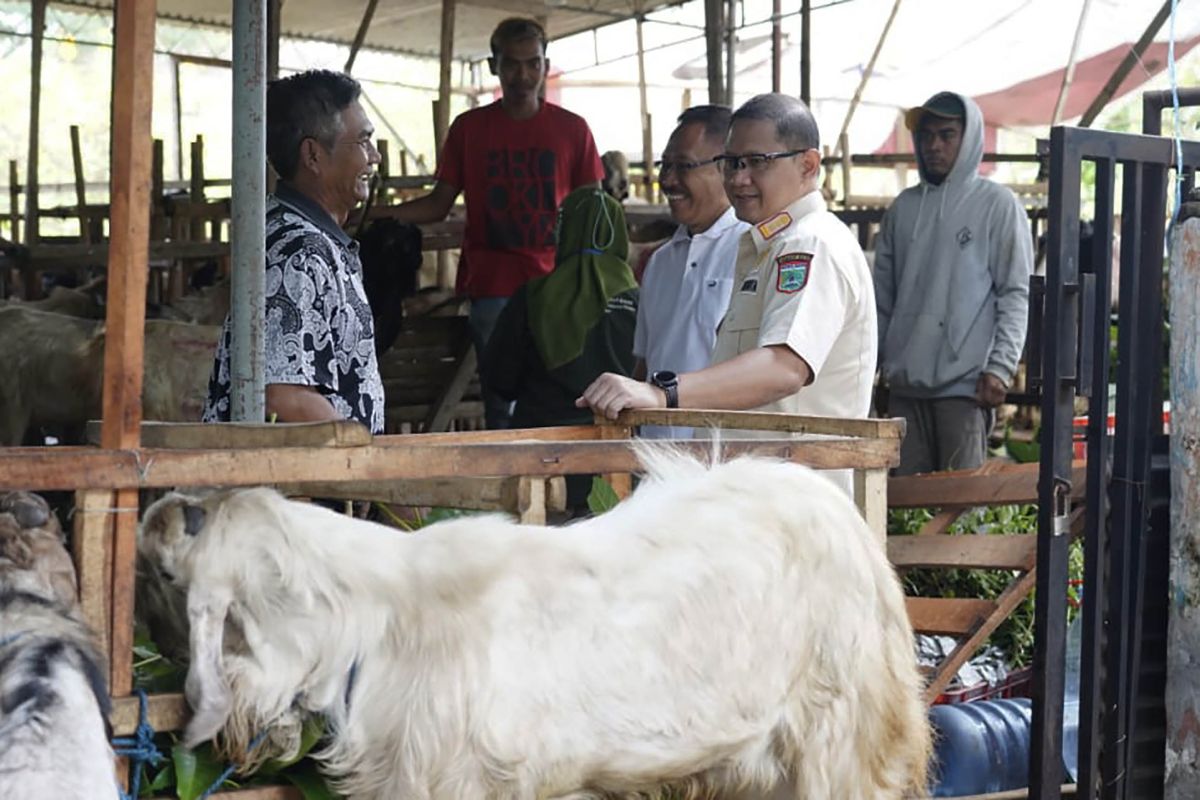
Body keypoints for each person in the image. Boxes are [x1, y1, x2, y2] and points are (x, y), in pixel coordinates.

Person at [579, 93, 877, 492]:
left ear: (807, 165)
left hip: (799, 503)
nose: (738, 178)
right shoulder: (766, 245)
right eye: (732, 163)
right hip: (752, 493)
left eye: (758, 162)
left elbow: (785, 367)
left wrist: (661, 394)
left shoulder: (810, 245)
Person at [391, 17, 604, 429]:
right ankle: (508, 481)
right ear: (494, 66)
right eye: (512, 64)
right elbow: (438, 204)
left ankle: (556, 484)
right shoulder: (470, 129)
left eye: (533, 63)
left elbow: (593, 210)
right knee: (501, 395)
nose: (523, 74)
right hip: (493, 284)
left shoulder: (573, 130)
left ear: (546, 65)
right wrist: (372, 215)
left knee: (557, 389)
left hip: (555, 285)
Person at [202, 69, 385, 434]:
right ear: (313, 155)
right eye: (363, 142)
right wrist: (367, 473)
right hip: (297, 488)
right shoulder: (301, 252)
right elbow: (284, 396)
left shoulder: (303, 235)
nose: (375, 156)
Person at [874, 91, 1032, 475]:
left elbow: (1015, 292)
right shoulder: (903, 209)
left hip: (965, 388)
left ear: (970, 137)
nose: (934, 146)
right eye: (926, 136)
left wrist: (1001, 366)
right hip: (905, 388)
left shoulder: (998, 205)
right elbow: (881, 301)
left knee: (960, 509)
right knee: (904, 508)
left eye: (947, 135)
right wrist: (872, 370)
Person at [634, 105, 748, 438]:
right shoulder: (660, 262)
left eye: (683, 166)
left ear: (725, 168)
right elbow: (646, 363)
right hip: (656, 459)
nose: (668, 180)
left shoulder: (752, 252)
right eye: (665, 165)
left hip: (720, 459)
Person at [482, 187, 638, 429]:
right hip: (619, 442)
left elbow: (500, 380)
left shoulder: (532, 297)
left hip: (541, 440)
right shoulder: (641, 301)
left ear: (565, 230)